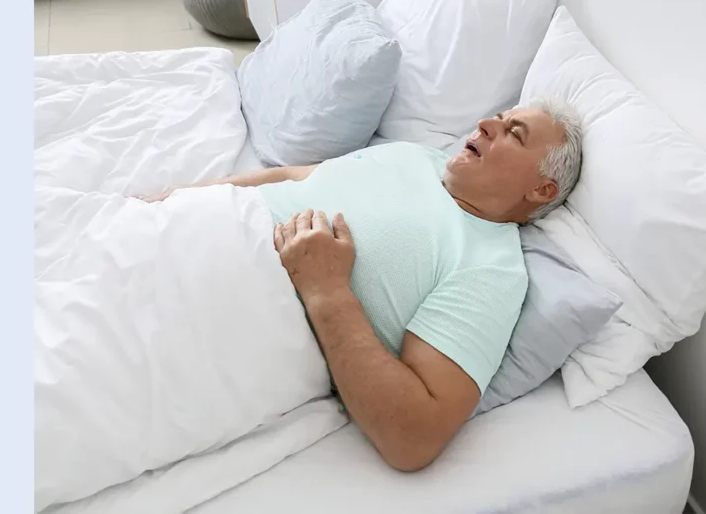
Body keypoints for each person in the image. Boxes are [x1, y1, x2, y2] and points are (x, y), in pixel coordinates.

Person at [140, 96, 584, 472]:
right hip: (167, 232)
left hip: (207, 307)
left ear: (542, 191)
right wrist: (179, 197)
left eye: (514, 133)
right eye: (499, 119)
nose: (487, 124)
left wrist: (327, 291)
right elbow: (293, 176)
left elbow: (415, 437)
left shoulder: (490, 268)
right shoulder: (415, 155)